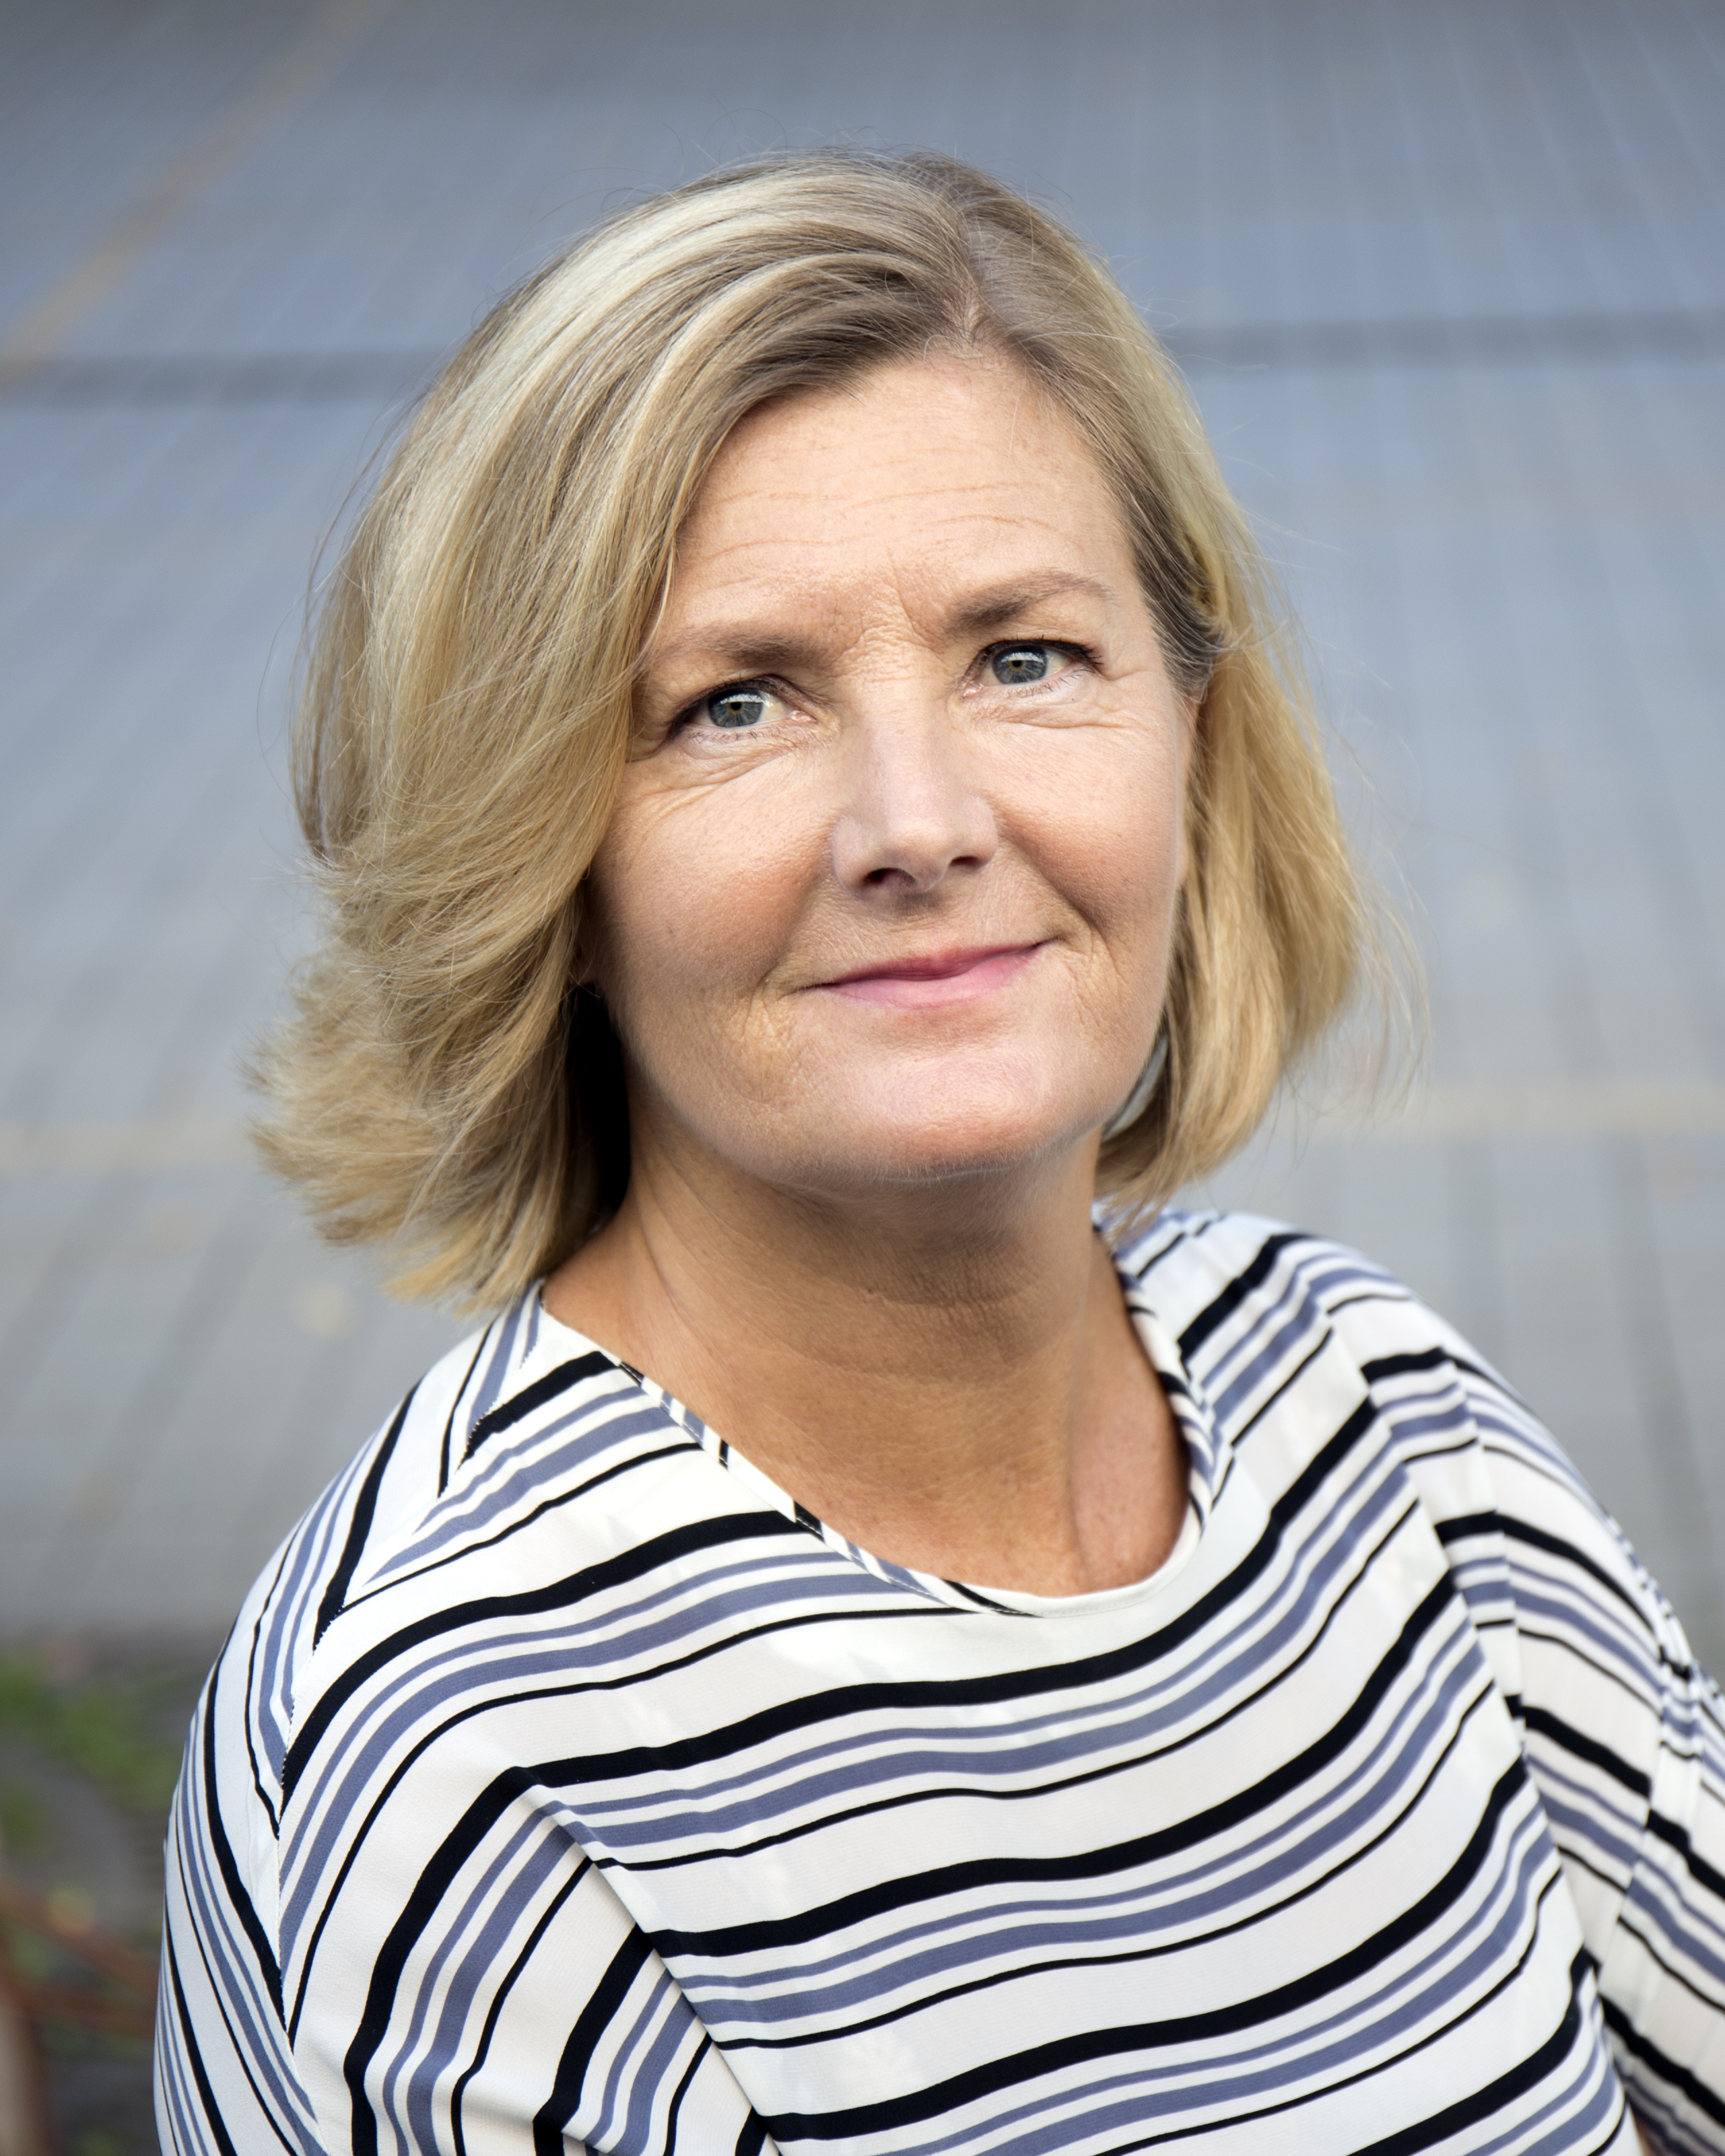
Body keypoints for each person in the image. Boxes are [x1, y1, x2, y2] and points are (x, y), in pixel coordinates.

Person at [154, 151, 1723, 2156]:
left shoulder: (1372, 1405)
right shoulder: (454, 1746)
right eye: (732, 704)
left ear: (1193, 733)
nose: (919, 820)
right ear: (535, 858)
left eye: (1021, 657)